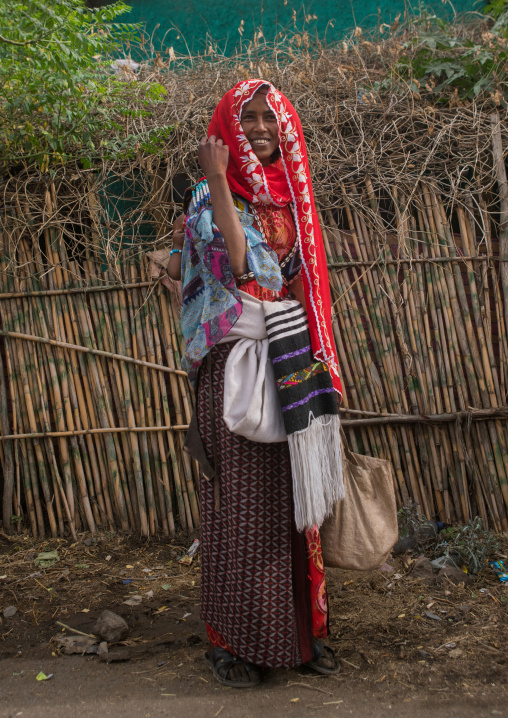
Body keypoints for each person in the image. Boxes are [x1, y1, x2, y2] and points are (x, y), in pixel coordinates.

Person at [166, 80, 344, 688]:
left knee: (297, 501)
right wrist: (217, 178)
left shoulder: (293, 202)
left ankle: (303, 634)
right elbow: (242, 267)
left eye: (271, 118)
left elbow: (301, 284)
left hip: (289, 356)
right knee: (240, 504)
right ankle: (233, 644)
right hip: (236, 364)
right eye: (249, 119)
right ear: (228, 129)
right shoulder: (204, 199)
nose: (262, 129)